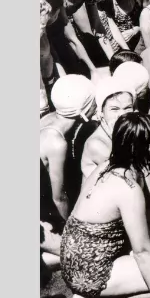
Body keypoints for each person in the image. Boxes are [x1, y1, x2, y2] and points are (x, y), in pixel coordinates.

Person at [61, 113, 150, 298]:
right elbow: (142, 252)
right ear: (147, 147)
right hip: (89, 272)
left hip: (75, 257)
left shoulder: (107, 166)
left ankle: (91, 294)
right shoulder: (128, 188)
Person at [40, 75, 99, 229]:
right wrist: (72, 228)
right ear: (83, 108)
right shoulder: (56, 143)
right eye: (94, 101)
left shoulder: (50, 117)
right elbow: (58, 198)